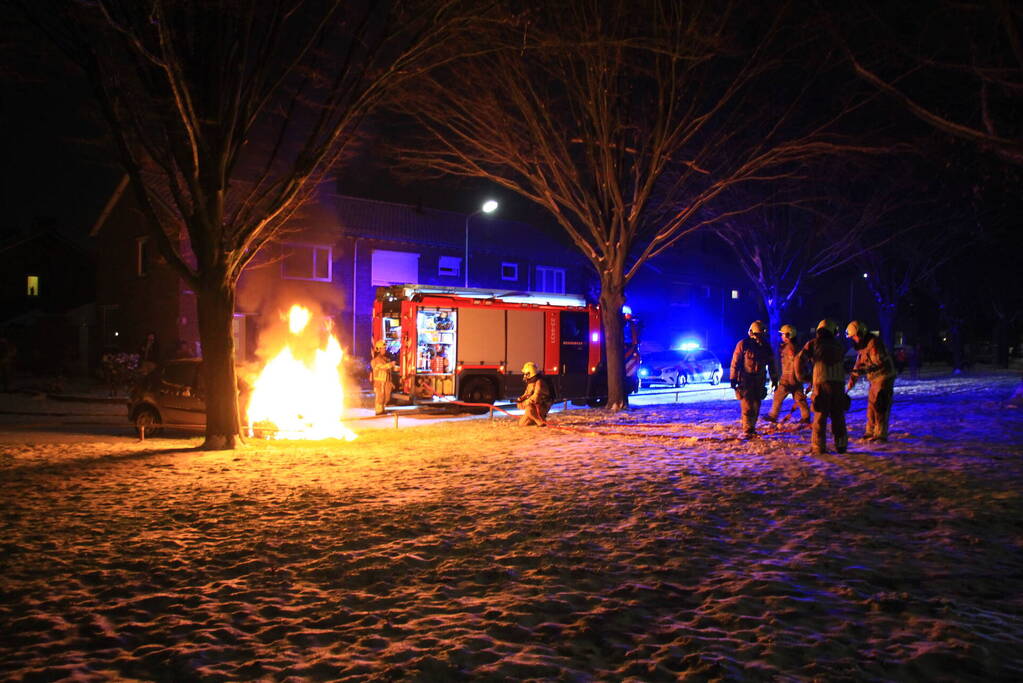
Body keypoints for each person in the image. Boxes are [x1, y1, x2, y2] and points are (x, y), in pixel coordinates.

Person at [795, 319, 850, 454]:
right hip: (838, 385)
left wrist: (803, 377)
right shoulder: (839, 345)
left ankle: (819, 447)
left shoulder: (813, 344)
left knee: (820, 416)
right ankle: (841, 445)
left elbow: (799, 360)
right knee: (838, 417)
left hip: (821, 384)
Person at [846, 320, 896, 442]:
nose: (854, 339)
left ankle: (880, 434)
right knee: (871, 406)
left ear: (861, 333)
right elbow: (858, 365)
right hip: (874, 379)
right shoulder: (863, 346)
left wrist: (863, 370)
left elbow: (878, 363)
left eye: (854, 337)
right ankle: (870, 431)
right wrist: (851, 382)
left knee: (880, 405)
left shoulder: (874, 343)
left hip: (884, 377)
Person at [729, 320, 778, 439]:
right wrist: (733, 378)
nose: (759, 338)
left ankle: (752, 427)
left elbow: (772, 364)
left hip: (759, 380)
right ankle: (748, 428)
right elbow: (735, 362)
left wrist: (774, 379)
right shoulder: (743, 344)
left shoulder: (766, 347)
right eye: (758, 335)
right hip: (745, 379)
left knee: (756, 404)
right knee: (747, 405)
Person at [764, 324, 810, 425]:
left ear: (789, 335)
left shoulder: (790, 348)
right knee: (800, 398)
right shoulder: (795, 346)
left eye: (783, 334)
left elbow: (793, 362)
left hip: (788, 378)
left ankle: (773, 415)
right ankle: (806, 417)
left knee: (778, 396)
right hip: (796, 378)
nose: (781, 336)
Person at [517, 361, 553, 427]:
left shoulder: (539, 383)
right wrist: (520, 399)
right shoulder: (531, 382)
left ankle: (540, 421)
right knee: (522, 424)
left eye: (525, 374)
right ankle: (537, 419)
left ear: (530, 373)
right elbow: (527, 394)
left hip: (542, 405)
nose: (524, 375)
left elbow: (535, 398)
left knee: (529, 410)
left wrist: (523, 404)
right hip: (536, 405)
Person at [370, 340, 397, 415]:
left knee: (387, 396)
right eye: (382, 348)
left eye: (385, 348)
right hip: (379, 381)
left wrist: (390, 381)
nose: (384, 350)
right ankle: (379, 410)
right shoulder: (375, 360)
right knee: (380, 396)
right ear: (378, 349)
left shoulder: (386, 359)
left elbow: (389, 370)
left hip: (386, 381)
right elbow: (382, 367)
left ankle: (383, 409)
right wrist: (391, 364)